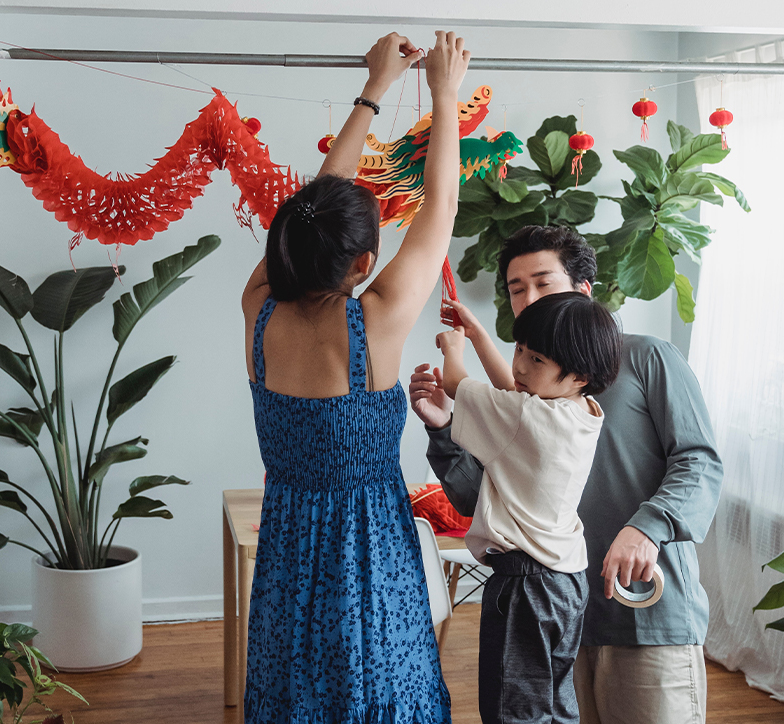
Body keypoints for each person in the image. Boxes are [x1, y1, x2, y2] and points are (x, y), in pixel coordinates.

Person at [240, 31, 469, 724]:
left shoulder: (259, 307)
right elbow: (441, 208)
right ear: (363, 263)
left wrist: (375, 92)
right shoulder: (376, 319)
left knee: (294, 686)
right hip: (368, 544)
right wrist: (444, 92)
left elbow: (311, 208)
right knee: (379, 685)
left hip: (287, 540)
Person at [411, 225, 724, 724]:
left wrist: (646, 527)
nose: (529, 299)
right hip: (555, 618)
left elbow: (700, 463)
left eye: (543, 283)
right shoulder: (523, 397)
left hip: (645, 616)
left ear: (584, 291)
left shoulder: (647, 357)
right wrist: (443, 430)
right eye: (517, 290)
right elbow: (476, 497)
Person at [433, 291, 620, 724]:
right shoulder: (582, 411)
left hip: (525, 586)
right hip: (566, 582)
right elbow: (516, 398)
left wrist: (455, 349)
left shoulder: (527, 417)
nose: (519, 365)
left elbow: (456, 384)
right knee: (554, 704)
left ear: (578, 374)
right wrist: (480, 336)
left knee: (513, 712)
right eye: (519, 349)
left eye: (536, 360)